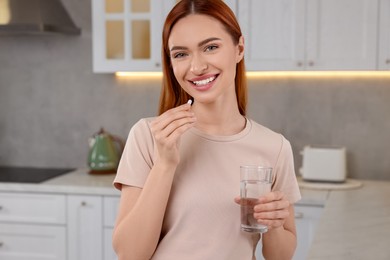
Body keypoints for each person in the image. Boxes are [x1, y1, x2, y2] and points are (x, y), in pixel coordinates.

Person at [112, 0, 301, 259]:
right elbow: (129, 254)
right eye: (180, 54)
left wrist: (275, 224)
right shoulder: (149, 136)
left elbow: (280, 256)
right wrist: (165, 164)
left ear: (239, 48)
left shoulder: (275, 147)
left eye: (210, 47)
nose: (197, 67)